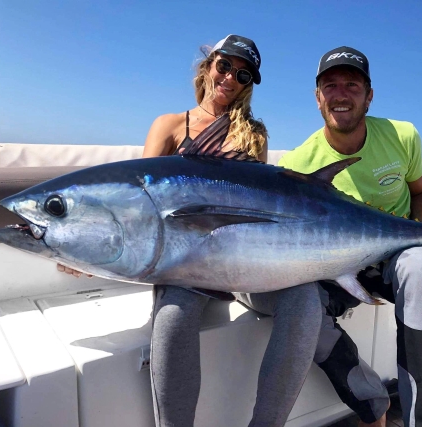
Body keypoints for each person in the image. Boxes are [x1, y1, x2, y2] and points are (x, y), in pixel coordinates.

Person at [59, 35, 323, 427]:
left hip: (246, 265)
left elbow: (261, 207)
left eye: (243, 74)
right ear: (208, 65)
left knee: (304, 300)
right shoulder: (168, 125)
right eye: (225, 66)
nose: (230, 78)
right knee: (173, 316)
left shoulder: (254, 135)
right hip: (184, 265)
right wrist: (84, 248)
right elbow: (137, 204)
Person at [278, 46, 422, 427]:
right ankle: (373, 403)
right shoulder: (295, 165)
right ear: (317, 98)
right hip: (335, 262)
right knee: (299, 306)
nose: (341, 94)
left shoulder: (402, 136)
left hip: (397, 251)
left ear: (369, 95)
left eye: (352, 84)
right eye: (330, 86)